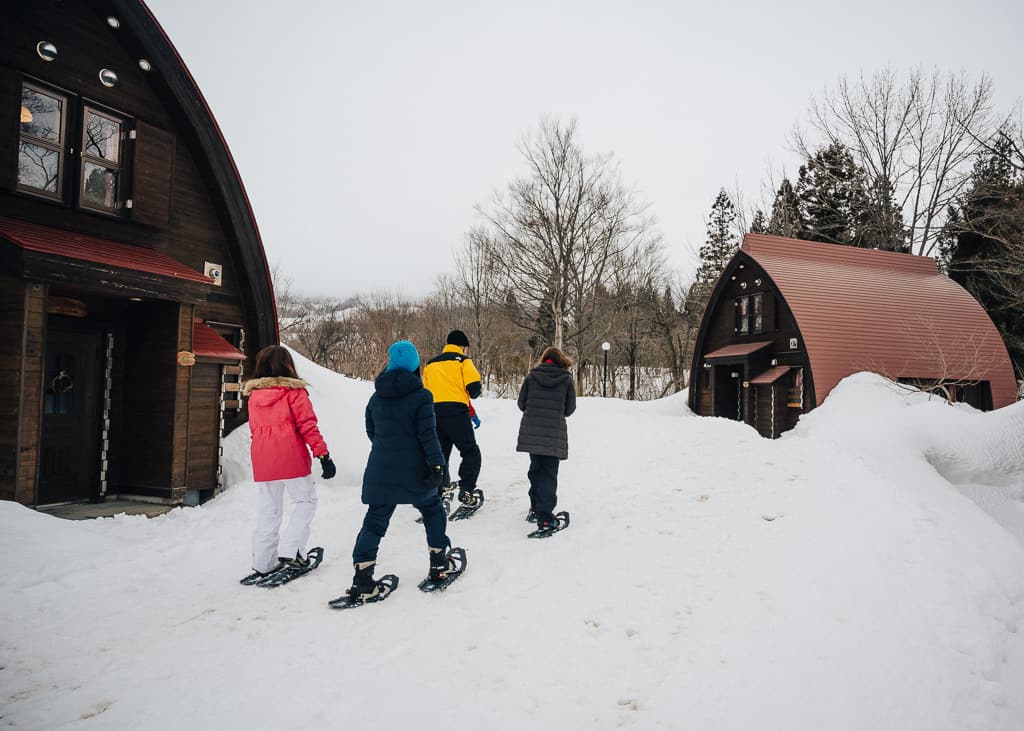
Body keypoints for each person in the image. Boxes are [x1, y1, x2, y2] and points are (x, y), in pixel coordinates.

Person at [345, 340, 462, 601]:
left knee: (374, 521)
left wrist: (389, 449)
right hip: (415, 472)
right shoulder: (422, 396)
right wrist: (438, 466)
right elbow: (428, 436)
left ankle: (363, 579)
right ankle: (439, 563)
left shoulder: (376, 398)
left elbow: (372, 432)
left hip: (381, 471)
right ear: (415, 366)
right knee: (432, 510)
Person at [243, 345, 336, 578]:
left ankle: (263, 563)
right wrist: (323, 455)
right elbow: (308, 426)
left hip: (263, 457)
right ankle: (291, 551)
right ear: (287, 365)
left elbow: (255, 429)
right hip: (290, 455)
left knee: (269, 510)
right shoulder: (294, 392)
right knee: (306, 501)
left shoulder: (254, 395)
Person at [515, 346, 576, 533]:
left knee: (535, 470)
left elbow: (521, 403)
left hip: (532, 432)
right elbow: (569, 409)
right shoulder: (566, 380)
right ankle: (546, 518)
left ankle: (535, 507)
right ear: (561, 361)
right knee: (549, 474)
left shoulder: (531, 377)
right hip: (553, 433)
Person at [422, 329, 483, 505]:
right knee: (470, 451)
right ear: (463, 347)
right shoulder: (464, 361)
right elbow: (474, 389)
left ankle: (437, 491)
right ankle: (466, 489)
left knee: (440, 455)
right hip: (457, 413)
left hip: (434, 413)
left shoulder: (431, 364)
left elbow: (425, 391)